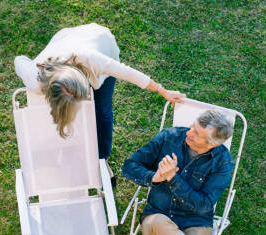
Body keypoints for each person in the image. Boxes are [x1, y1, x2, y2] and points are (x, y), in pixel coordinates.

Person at [14, 23, 185, 185]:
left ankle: (101, 160)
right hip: (64, 41)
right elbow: (19, 59)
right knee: (71, 115)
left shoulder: (95, 60)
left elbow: (129, 73)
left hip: (99, 40)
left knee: (101, 111)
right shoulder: (35, 79)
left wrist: (163, 91)